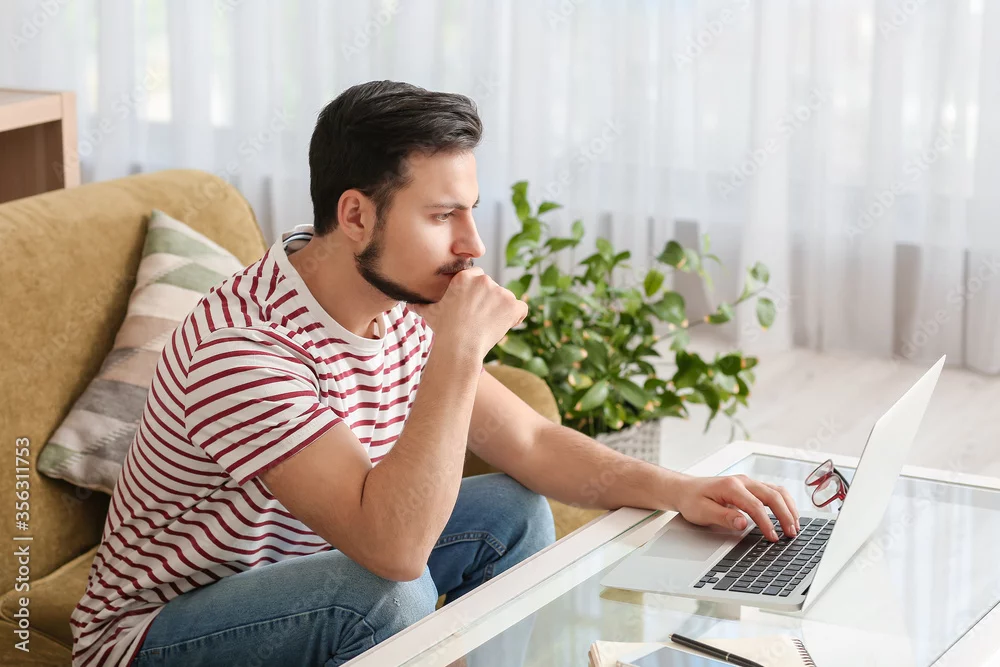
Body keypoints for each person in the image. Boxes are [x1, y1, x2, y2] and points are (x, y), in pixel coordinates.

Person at [71, 80, 800, 667]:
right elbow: (393, 549)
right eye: (443, 216)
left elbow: (531, 442)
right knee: (387, 593)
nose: (472, 244)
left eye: (470, 212)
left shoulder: (389, 297)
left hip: (309, 572)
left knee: (513, 512)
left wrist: (680, 489)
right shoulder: (245, 352)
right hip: (153, 637)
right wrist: (457, 351)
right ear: (355, 216)